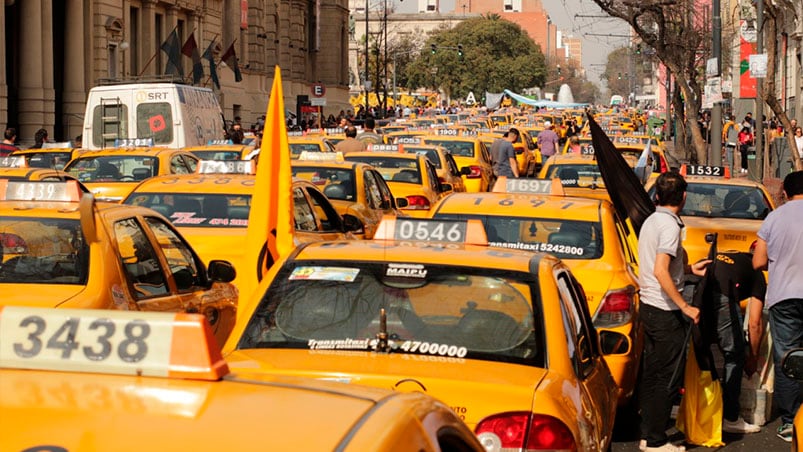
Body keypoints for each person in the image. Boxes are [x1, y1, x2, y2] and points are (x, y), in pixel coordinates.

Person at [638, 171, 709, 452]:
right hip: (665, 309)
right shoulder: (669, 226)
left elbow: (660, 265)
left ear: (657, 195)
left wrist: (690, 269)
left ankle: (649, 433)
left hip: (650, 305)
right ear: (683, 197)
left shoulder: (652, 220)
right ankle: (656, 440)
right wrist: (685, 306)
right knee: (668, 375)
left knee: (654, 372)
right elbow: (659, 270)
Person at [752, 170, 803, 443]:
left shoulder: (774, 218)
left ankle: (789, 421)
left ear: (784, 192)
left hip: (784, 297)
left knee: (788, 358)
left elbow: (758, 262)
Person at [708, 250, 764, 434]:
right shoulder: (757, 274)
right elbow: (754, 323)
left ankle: (684, 405)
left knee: (697, 349)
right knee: (735, 355)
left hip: (693, 286)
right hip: (722, 294)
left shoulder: (732, 257)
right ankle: (730, 417)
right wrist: (753, 358)